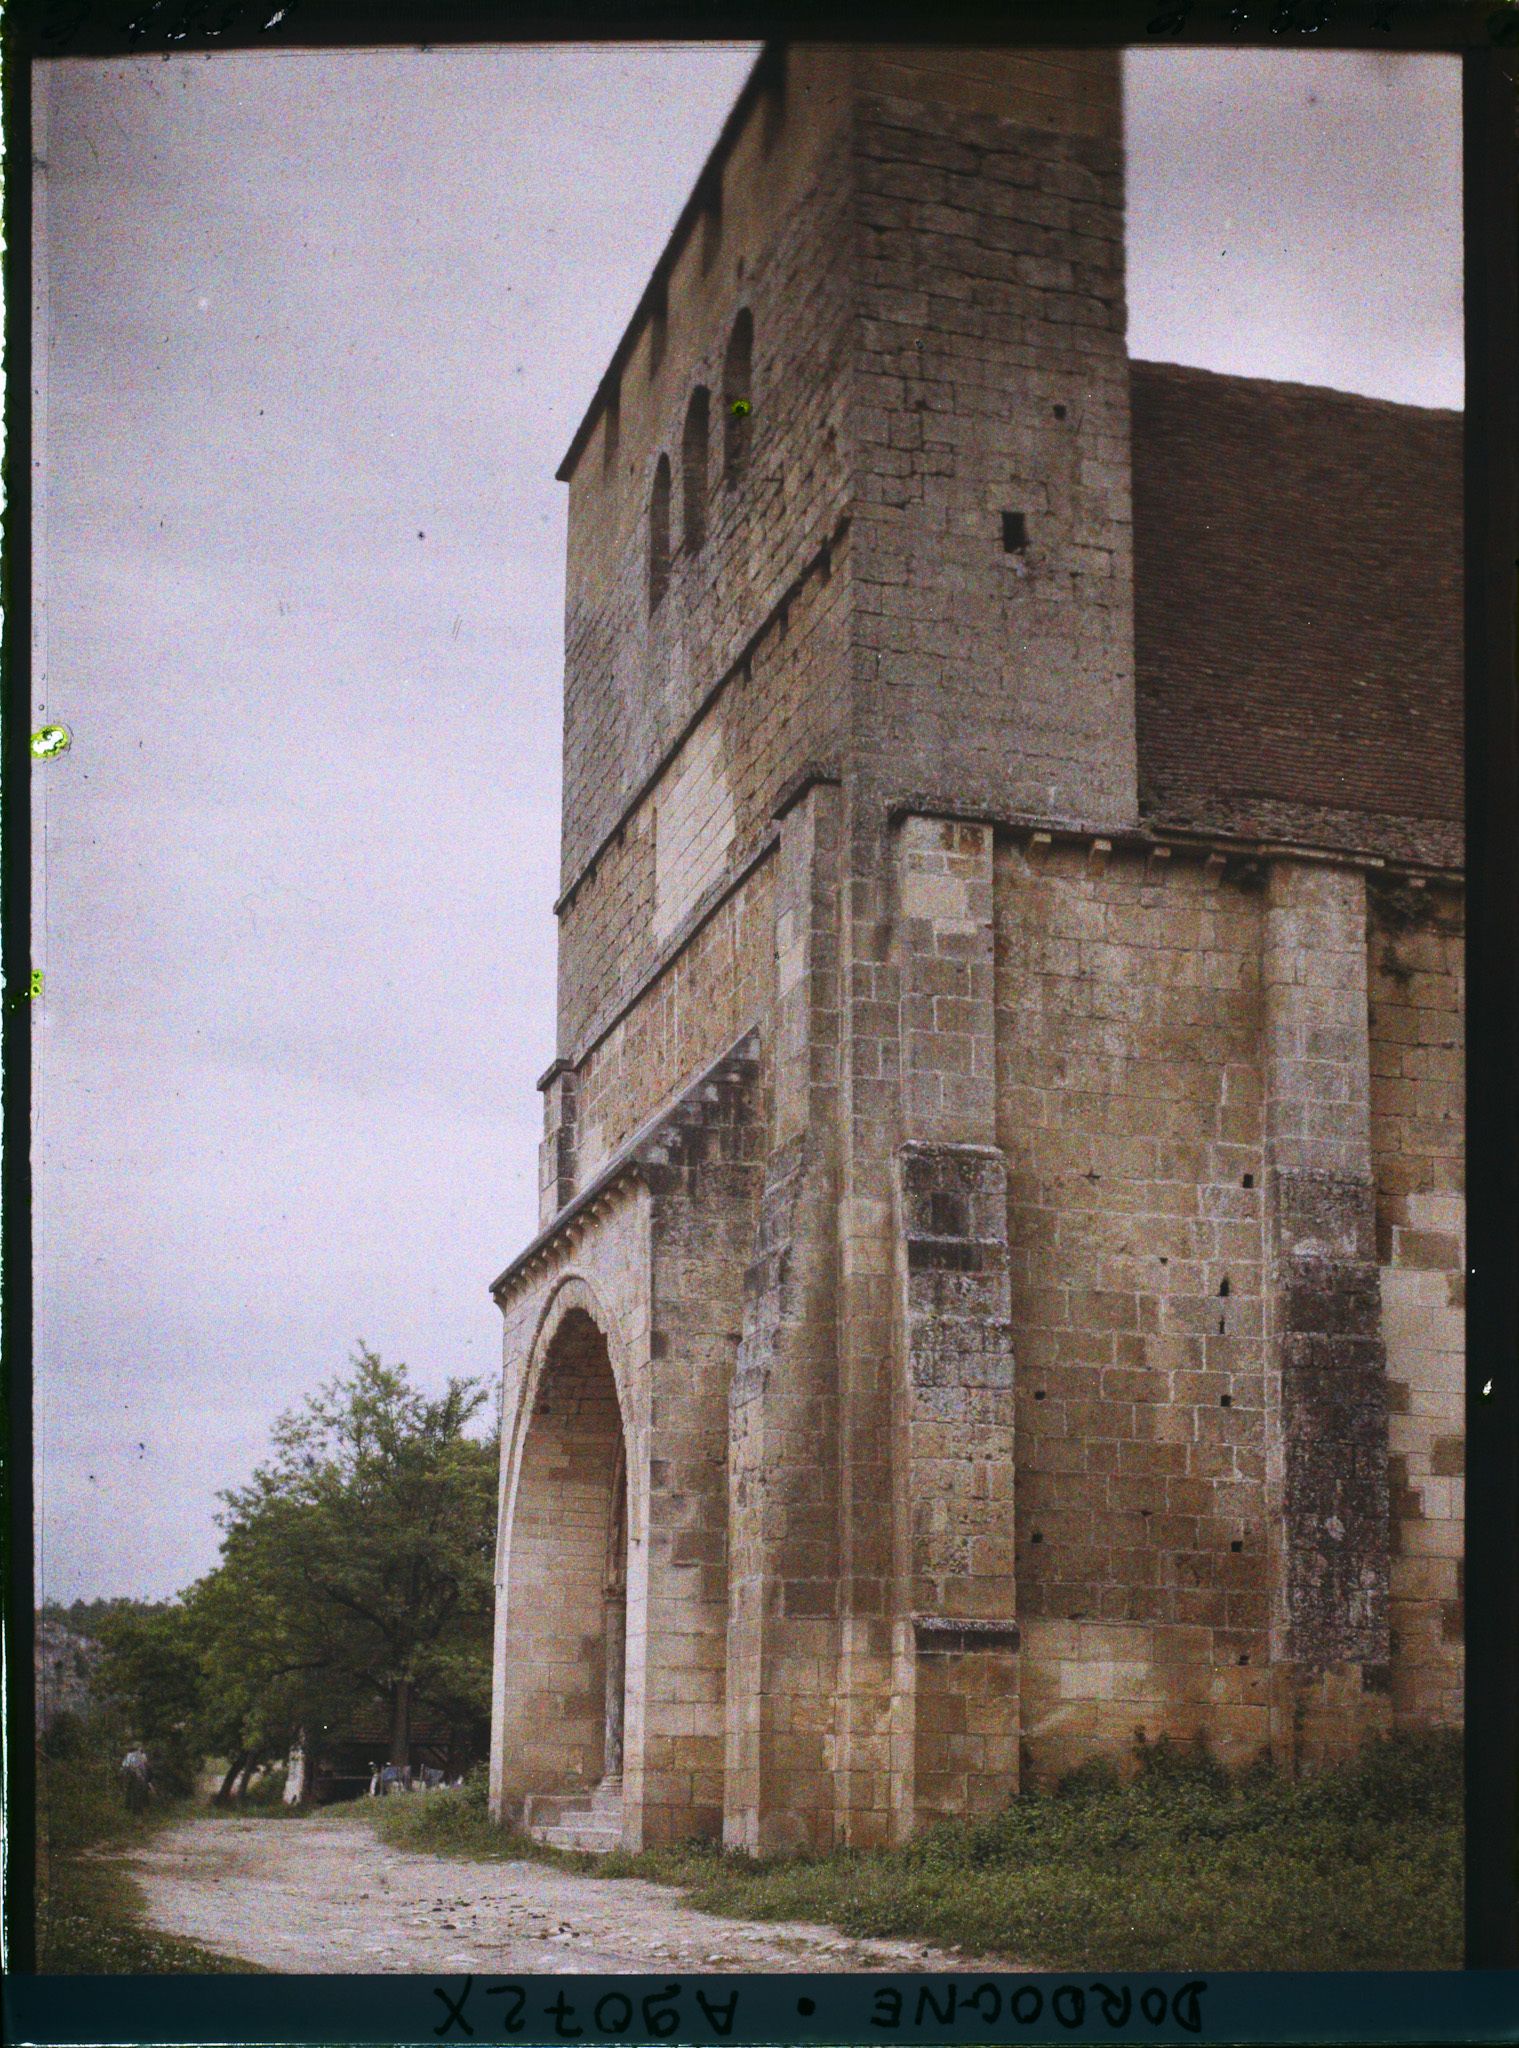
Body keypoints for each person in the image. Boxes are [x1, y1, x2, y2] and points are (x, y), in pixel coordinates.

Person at [121, 1745, 152, 1813]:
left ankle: (129, 1807)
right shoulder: (135, 1755)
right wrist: (140, 1775)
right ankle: (136, 1809)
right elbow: (136, 1767)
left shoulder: (130, 1755)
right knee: (136, 1792)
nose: (140, 1750)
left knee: (132, 1791)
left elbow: (124, 1766)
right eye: (139, 1749)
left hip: (133, 1775)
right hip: (135, 1776)